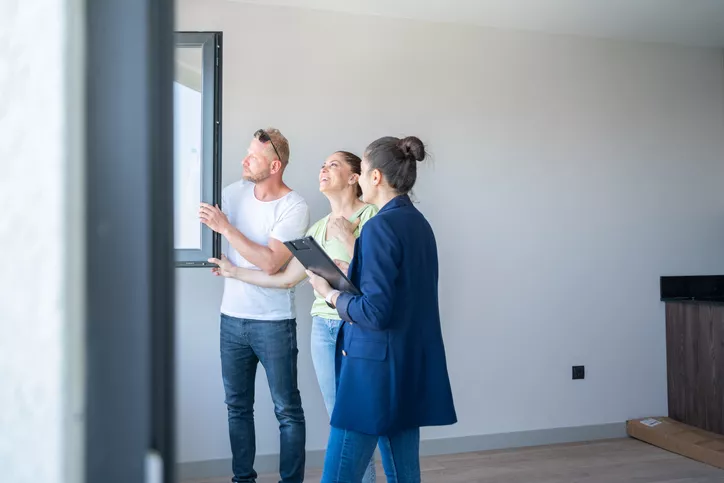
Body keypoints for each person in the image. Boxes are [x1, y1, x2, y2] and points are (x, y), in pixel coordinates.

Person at [210, 150, 380, 483]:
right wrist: (234, 273)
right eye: (322, 164)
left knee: (359, 419)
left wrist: (349, 237)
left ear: (353, 177)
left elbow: (379, 278)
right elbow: (286, 279)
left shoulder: (374, 216)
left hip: (359, 325)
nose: (323, 169)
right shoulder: (316, 229)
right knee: (339, 418)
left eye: (333, 165)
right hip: (323, 328)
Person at [306, 136, 458, 483]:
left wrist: (330, 294)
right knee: (404, 475)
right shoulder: (420, 225)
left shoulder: (378, 227)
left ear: (375, 177)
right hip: (405, 367)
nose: (357, 177)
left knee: (338, 476)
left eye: (362, 169)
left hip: (371, 371)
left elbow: (375, 312)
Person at [199, 128, 310, 483]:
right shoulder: (233, 193)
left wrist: (227, 229)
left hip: (273, 322)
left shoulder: (294, 206)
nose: (244, 160)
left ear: (275, 165)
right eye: (247, 153)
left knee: (287, 411)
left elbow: (270, 262)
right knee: (237, 409)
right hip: (231, 320)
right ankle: (242, 480)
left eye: (254, 156)